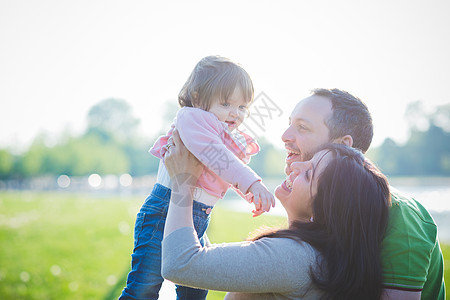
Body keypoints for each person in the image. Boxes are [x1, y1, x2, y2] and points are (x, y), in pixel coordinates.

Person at [162, 130, 392, 299]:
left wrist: (183, 181)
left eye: (309, 174)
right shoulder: (318, 258)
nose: (296, 167)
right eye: (308, 161)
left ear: (325, 211)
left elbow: (180, 263)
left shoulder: (295, 257)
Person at [119, 56, 275, 300]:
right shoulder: (192, 119)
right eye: (226, 104)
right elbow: (218, 158)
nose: (235, 113)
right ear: (198, 98)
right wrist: (252, 182)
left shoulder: (221, 133)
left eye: (243, 107)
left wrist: (249, 194)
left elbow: (221, 172)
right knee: (144, 287)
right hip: (163, 211)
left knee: (197, 287)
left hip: (196, 216)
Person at [281, 88, 445, 299]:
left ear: (342, 145)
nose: (285, 136)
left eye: (302, 127)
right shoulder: (313, 203)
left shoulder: (398, 215)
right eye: (289, 124)